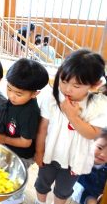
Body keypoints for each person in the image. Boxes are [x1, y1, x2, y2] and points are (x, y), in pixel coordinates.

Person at [34, 49, 107, 204]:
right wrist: (39, 151)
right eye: (64, 81)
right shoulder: (52, 98)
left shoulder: (98, 105)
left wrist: (72, 116)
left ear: (95, 85)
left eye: (76, 85)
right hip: (50, 153)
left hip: (75, 159)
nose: (67, 89)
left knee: (63, 191)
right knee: (42, 184)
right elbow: (42, 129)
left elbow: (92, 134)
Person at [0, 59, 49, 204]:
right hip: (10, 148)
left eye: (18, 94)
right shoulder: (14, 101)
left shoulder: (30, 112)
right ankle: (9, 193)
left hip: (23, 155)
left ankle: (16, 198)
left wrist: (4, 140)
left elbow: (26, 142)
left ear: (34, 94)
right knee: (7, 173)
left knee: (17, 177)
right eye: (9, 89)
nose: (11, 96)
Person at [72, 131, 107, 204]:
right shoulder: (82, 159)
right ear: (91, 144)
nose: (103, 154)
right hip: (80, 190)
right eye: (100, 148)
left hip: (98, 194)